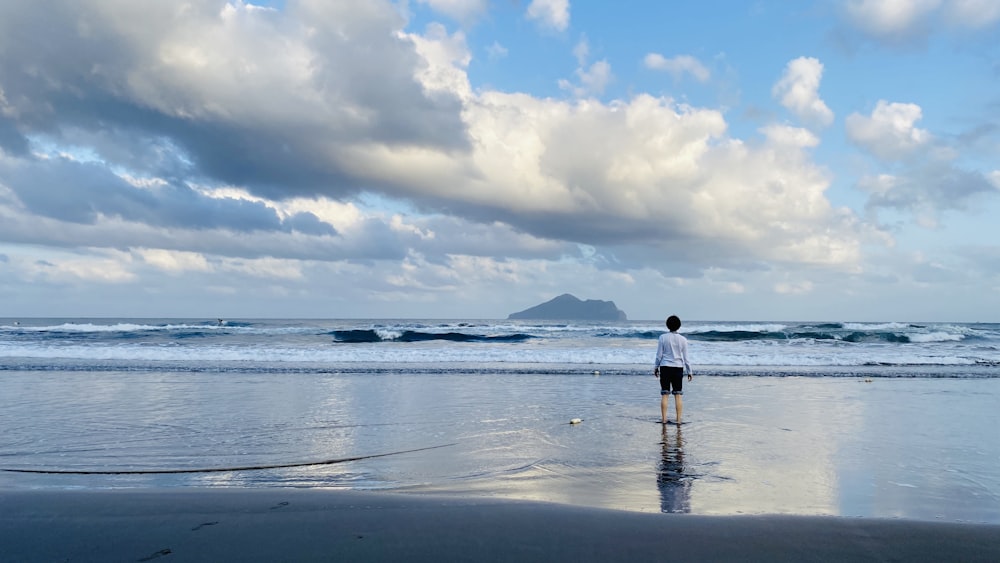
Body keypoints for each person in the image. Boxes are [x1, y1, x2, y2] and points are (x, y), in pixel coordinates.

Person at [654, 315, 693, 424]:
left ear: (667, 325)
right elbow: (686, 358)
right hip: (678, 368)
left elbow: (659, 355)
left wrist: (656, 367)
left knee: (665, 395)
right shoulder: (683, 339)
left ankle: (664, 419)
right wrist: (689, 371)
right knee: (678, 395)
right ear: (679, 326)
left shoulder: (662, 337)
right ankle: (678, 419)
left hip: (665, 367)